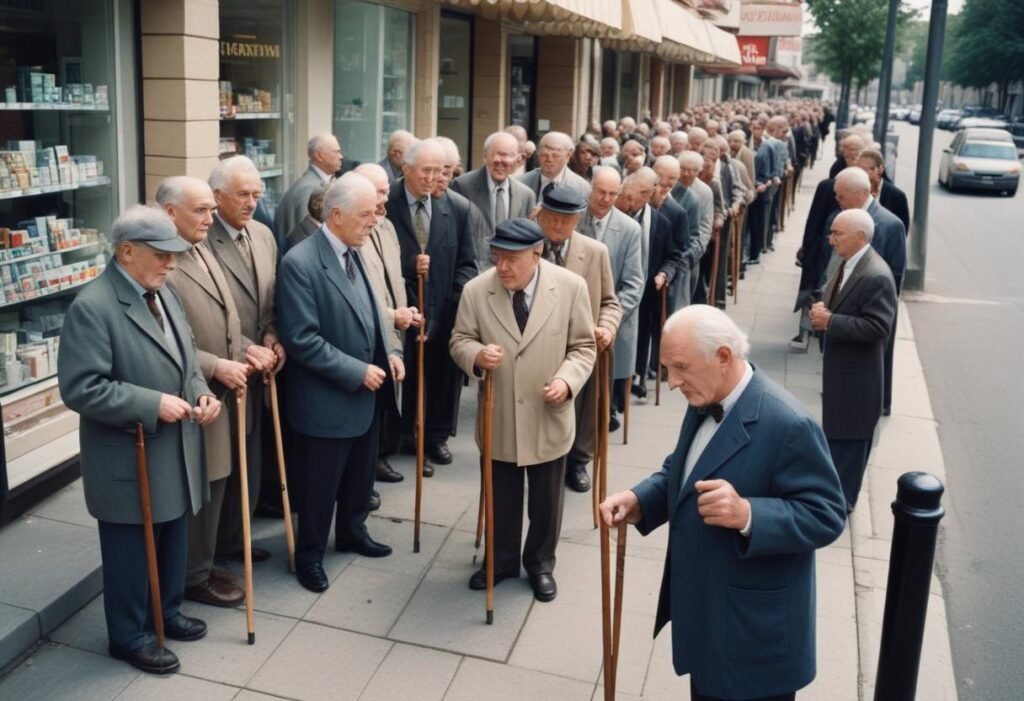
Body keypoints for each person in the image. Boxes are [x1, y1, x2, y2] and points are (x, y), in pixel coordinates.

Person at [599, 305, 846, 701]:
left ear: (724, 357)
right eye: (666, 368)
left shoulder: (790, 424)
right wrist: (639, 500)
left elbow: (827, 514)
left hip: (753, 639)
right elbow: (683, 470)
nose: (673, 382)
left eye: (680, 367)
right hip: (709, 617)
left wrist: (748, 514)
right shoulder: (704, 399)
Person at [58, 205, 222, 675]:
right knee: (130, 550)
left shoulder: (162, 292)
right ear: (127, 253)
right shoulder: (93, 306)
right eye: (161, 255)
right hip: (127, 457)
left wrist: (203, 393)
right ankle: (129, 636)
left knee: (172, 536)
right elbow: (82, 387)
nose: (172, 263)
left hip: (170, 446)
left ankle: (165, 612)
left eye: (175, 254)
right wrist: (151, 404)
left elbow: (186, 361)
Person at [450, 218, 596, 602]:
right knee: (501, 496)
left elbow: (583, 347)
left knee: (547, 500)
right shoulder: (477, 291)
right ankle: (499, 562)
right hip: (499, 417)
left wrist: (566, 382)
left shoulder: (570, 287)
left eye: (512, 258)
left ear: (538, 252)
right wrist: (477, 356)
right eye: (497, 256)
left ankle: (540, 563)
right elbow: (459, 339)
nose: (502, 267)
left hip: (549, 413)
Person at [277, 173, 406, 593]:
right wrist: (357, 371)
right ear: (336, 216)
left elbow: (373, 310)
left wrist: (391, 353)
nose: (376, 220)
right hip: (326, 400)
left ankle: (353, 531)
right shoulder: (300, 263)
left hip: (365, 394)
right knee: (319, 486)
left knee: (358, 475)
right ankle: (309, 555)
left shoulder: (357, 250)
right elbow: (302, 339)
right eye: (367, 214)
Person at [159, 177, 271, 610]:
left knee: (220, 478)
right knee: (200, 487)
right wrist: (215, 365)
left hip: (223, 388)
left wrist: (247, 348)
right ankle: (192, 576)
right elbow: (171, 338)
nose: (210, 219)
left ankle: (207, 562)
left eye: (210, 209)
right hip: (193, 392)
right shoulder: (165, 260)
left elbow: (224, 318)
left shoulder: (202, 246)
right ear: (171, 213)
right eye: (200, 211)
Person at [206, 155, 285, 564]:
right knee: (221, 468)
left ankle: (237, 539)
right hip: (222, 372)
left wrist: (272, 334)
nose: (252, 202)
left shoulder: (263, 235)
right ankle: (211, 553)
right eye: (243, 194)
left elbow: (269, 299)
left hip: (261, 369)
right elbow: (201, 316)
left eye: (257, 193)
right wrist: (242, 350)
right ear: (217, 196)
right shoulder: (200, 242)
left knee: (250, 462)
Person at [385, 138, 477, 466]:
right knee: (402, 378)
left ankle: (435, 437)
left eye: (440, 171)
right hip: (399, 310)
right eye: (426, 170)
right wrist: (410, 265)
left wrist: (444, 310)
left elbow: (468, 265)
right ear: (405, 168)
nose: (433, 178)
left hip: (443, 314)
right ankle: (399, 436)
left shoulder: (458, 208)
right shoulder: (386, 202)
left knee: (440, 379)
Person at [535, 184, 621, 493]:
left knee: (583, 406)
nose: (558, 226)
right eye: (552, 218)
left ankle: (578, 461)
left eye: (566, 220)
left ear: (578, 219)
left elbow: (611, 302)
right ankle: (541, 460)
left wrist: (606, 327)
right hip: (537, 347)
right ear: (540, 215)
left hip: (579, 345)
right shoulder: (527, 248)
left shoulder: (595, 252)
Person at [810, 209, 897, 511]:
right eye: (831, 232)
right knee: (837, 440)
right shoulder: (849, 263)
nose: (831, 239)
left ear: (860, 237)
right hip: (842, 377)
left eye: (837, 233)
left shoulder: (876, 275)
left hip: (857, 384)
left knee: (849, 444)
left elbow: (878, 327)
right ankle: (833, 499)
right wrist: (824, 310)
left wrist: (831, 321)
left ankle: (840, 505)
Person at [354, 162, 424, 483]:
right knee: (368, 415)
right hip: (368, 338)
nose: (386, 199)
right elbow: (355, 297)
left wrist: (406, 310)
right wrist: (390, 315)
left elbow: (391, 279)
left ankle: (377, 462)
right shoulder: (355, 234)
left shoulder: (387, 226)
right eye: (379, 192)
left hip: (395, 335)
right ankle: (364, 478)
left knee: (387, 408)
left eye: (386, 191)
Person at [831, 167, 906, 416]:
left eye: (841, 196)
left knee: (875, 364)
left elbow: (895, 274)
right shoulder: (844, 219)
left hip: (871, 306)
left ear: (860, 193)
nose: (837, 200)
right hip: (845, 314)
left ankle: (879, 403)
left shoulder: (890, 223)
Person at [579, 166, 644, 432]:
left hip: (609, 322)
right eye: (601, 192)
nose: (606, 199)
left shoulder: (629, 229)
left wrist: (610, 320)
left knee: (600, 392)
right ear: (590, 189)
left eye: (613, 194)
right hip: (574, 318)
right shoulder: (574, 220)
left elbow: (633, 284)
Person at [615, 168, 682, 399]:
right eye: (625, 196)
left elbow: (673, 256)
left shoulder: (660, 222)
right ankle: (615, 398)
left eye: (632, 198)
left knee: (640, 338)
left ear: (647, 194)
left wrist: (664, 274)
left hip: (646, 291)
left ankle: (635, 379)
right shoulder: (615, 214)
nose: (627, 202)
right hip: (616, 288)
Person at [450, 131, 537, 272]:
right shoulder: (461, 186)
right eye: (494, 154)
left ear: (518, 159)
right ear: (485, 157)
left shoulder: (526, 195)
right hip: (473, 274)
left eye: (506, 155)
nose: (499, 161)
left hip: (510, 274)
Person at [274, 134, 343, 245]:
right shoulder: (309, 190)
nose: (341, 156)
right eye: (336, 152)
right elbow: (306, 238)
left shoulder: (317, 185)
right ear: (319, 156)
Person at [517, 131, 592, 202]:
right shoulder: (521, 183)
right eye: (544, 155)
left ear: (569, 155)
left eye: (555, 156)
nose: (549, 160)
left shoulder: (581, 188)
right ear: (538, 154)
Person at [857, 148, 910, 233]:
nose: (861, 173)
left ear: (880, 169)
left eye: (865, 169)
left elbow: (901, 231)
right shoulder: (853, 189)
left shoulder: (897, 197)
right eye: (858, 169)